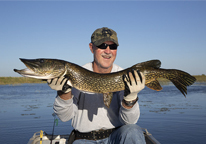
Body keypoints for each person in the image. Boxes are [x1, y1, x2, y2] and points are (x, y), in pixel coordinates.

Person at [47, 27, 146, 144]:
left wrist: (130, 99)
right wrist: (63, 94)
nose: (108, 51)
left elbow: (130, 121)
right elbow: (64, 117)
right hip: (84, 139)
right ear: (91, 47)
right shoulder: (78, 74)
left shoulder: (125, 75)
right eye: (102, 45)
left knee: (133, 130)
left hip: (115, 137)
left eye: (112, 46)